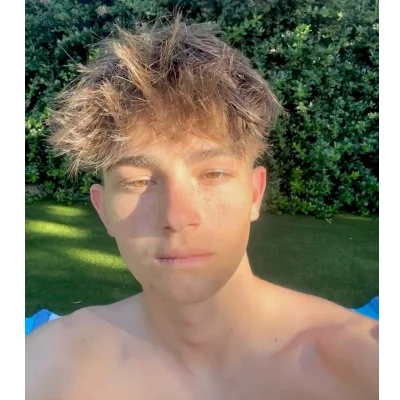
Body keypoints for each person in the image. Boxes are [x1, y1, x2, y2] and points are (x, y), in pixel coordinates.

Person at [24, 15, 380, 400]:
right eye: (139, 181)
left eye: (213, 174)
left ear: (255, 194)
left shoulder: (365, 364)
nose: (176, 217)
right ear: (103, 209)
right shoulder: (43, 366)